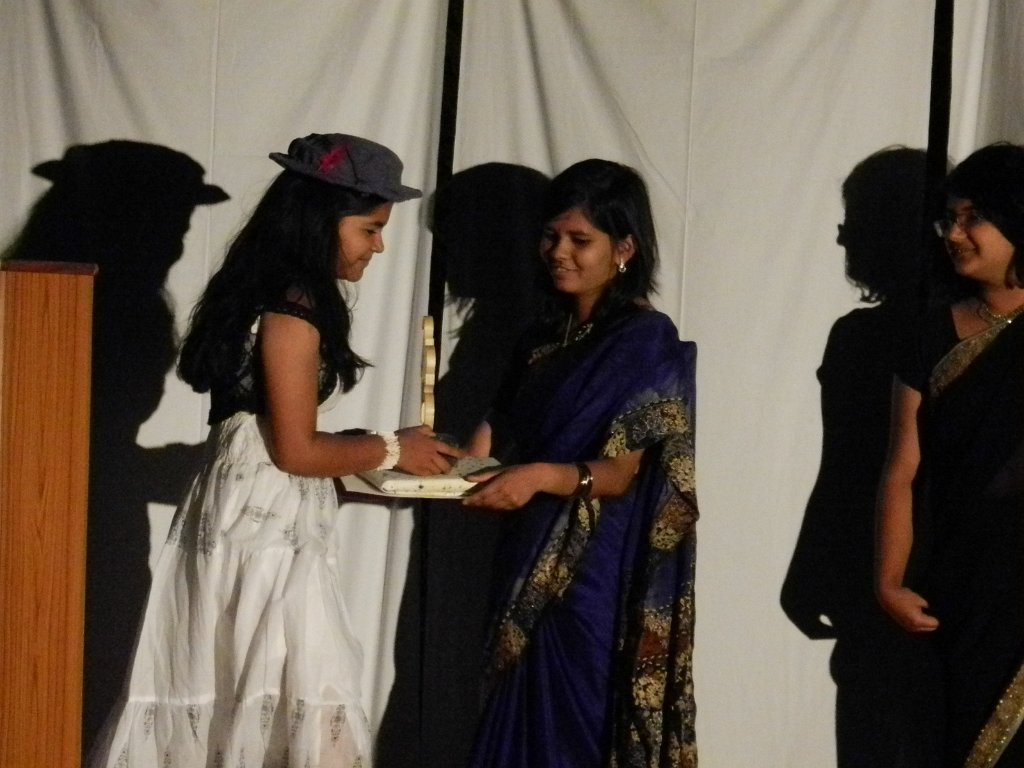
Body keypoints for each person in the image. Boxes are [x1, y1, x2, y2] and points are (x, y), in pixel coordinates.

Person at [88, 133, 462, 768]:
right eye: (370, 229)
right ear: (321, 221)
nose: (378, 246)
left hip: (248, 514)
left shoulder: (270, 295)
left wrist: (362, 448)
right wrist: (390, 448)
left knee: (256, 689)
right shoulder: (293, 309)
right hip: (262, 530)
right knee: (295, 689)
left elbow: (272, 433)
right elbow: (293, 450)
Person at [462, 159, 699, 767]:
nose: (558, 252)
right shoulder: (542, 338)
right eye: (551, 236)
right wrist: (417, 465)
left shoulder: (645, 338)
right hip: (524, 553)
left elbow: (621, 474)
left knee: (576, 727)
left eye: (579, 240)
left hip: (590, 572)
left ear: (625, 248)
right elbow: (490, 438)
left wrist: (539, 476)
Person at [781, 147, 938, 766]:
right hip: (928, 569)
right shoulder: (869, 336)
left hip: (880, 568)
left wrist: (809, 569)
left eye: (855, 221)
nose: (843, 238)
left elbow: (844, 473)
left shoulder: (865, 338)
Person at [876, 142, 1024, 767]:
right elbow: (901, 470)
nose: (954, 234)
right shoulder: (931, 333)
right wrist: (888, 581)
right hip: (964, 585)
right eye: (949, 219)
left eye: (973, 218)